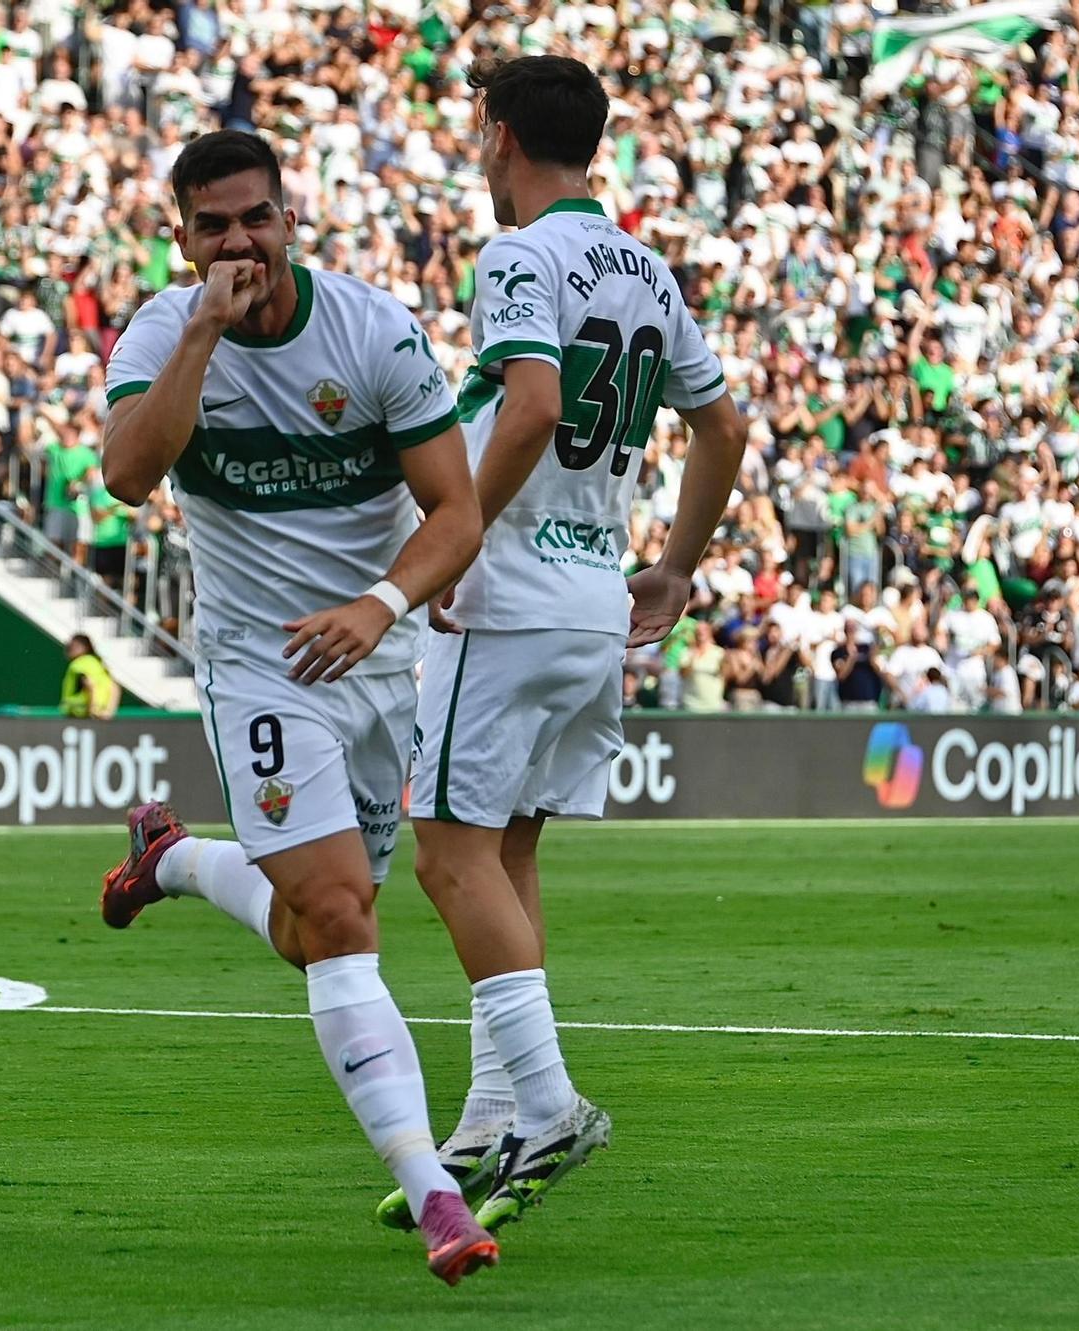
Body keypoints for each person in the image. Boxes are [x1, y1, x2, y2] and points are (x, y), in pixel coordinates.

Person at [90, 130, 493, 1285]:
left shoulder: (371, 332)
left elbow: (455, 511)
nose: (238, 243)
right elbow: (126, 474)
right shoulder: (162, 335)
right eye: (212, 225)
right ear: (180, 235)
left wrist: (379, 604)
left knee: (313, 926)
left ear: (288, 217)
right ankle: (434, 1194)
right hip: (259, 669)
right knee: (336, 915)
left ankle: (169, 858)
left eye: (254, 218)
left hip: (375, 655)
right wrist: (202, 337)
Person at [394, 54, 745, 1237]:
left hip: (506, 594)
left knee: (446, 855)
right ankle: (491, 1109)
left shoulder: (517, 255)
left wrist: (455, 539)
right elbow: (720, 425)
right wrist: (676, 565)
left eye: (473, 128)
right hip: (596, 595)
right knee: (506, 848)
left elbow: (534, 403)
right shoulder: (645, 266)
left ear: (498, 134)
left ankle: (546, 1103)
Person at [60, 633, 118, 719]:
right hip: (100, 714)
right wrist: (108, 712)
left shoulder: (79, 664)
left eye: (73, 646)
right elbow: (114, 688)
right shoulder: (98, 663)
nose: (69, 649)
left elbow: (90, 685)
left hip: (81, 714)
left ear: (85, 648)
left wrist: (91, 710)